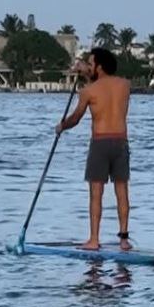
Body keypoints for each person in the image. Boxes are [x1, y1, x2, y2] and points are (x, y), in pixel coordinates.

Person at [56, 48, 132, 251]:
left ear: (99, 66)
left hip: (100, 143)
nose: (89, 67)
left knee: (96, 193)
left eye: (91, 63)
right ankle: (124, 240)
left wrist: (62, 126)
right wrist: (86, 72)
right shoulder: (125, 85)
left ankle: (94, 239)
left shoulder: (88, 91)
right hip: (121, 142)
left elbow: (75, 118)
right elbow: (104, 84)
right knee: (122, 191)